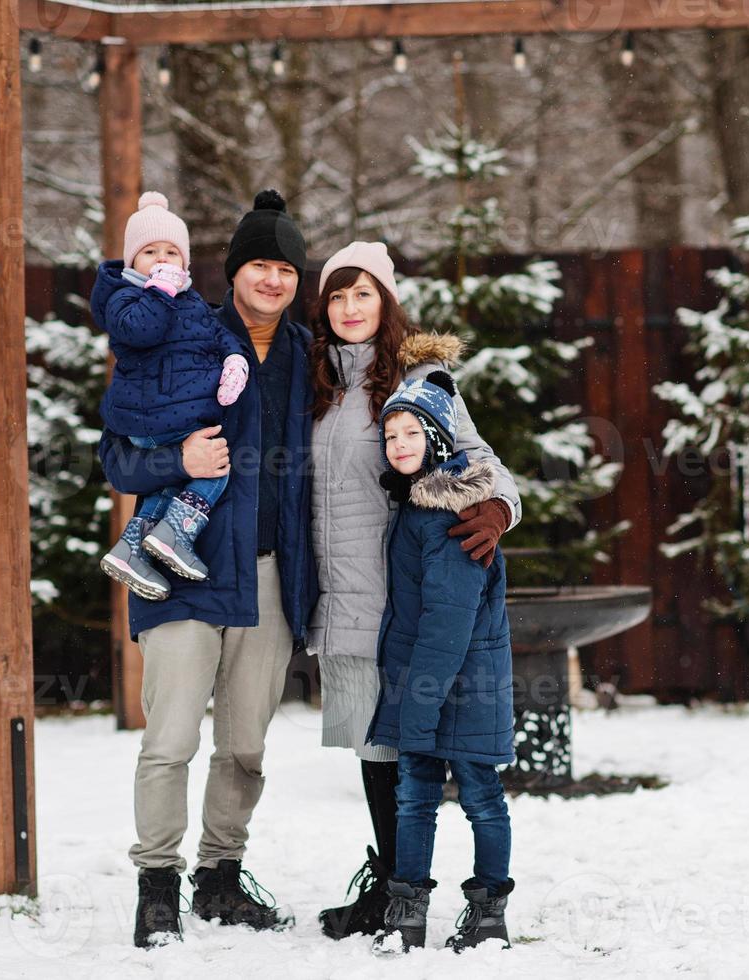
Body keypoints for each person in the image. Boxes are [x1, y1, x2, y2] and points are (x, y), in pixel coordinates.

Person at [97, 189, 317, 948]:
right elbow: (116, 453)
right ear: (232, 272)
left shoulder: (306, 355)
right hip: (181, 565)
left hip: (267, 574)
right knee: (171, 740)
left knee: (246, 747)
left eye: (286, 267)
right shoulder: (181, 328)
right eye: (260, 264)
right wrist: (175, 459)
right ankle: (156, 883)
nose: (273, 279)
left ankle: (220, 876)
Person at [308, 241, 520, 940]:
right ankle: (389, 886)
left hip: (410, 585)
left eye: (363, 293)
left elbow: (481, 461)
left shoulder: (421, 380)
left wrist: (497, 509)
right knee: (374, 744)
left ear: (386, 300)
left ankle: (411, 892)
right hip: (340, 589)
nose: (349, 308)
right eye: (336, 296)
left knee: (411, 746)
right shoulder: (310, 381)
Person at [366, 372, 516, 954]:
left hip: (460, 684)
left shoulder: (453, 510)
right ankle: (407, 915)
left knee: (479, 794)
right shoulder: (416, 505)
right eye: (390, 435)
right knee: (414, 796)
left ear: (439, 440)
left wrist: (418, 701)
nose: (399, 444)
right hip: (428, 681)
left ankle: (488, 917)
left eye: (412, 432)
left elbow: (449, 620)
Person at [93, 191, 251, 599]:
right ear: (132, 262)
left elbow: (218, 335)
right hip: (152, 415)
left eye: (171, 253)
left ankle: (132, 549)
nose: (163, 260)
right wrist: (159, 291)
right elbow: (139, 330)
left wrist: (235, 361)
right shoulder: (125, 298)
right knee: (213, 468)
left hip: (174, 418)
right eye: (150, 252)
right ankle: (177, 534)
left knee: (167, 485)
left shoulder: (192, 302)